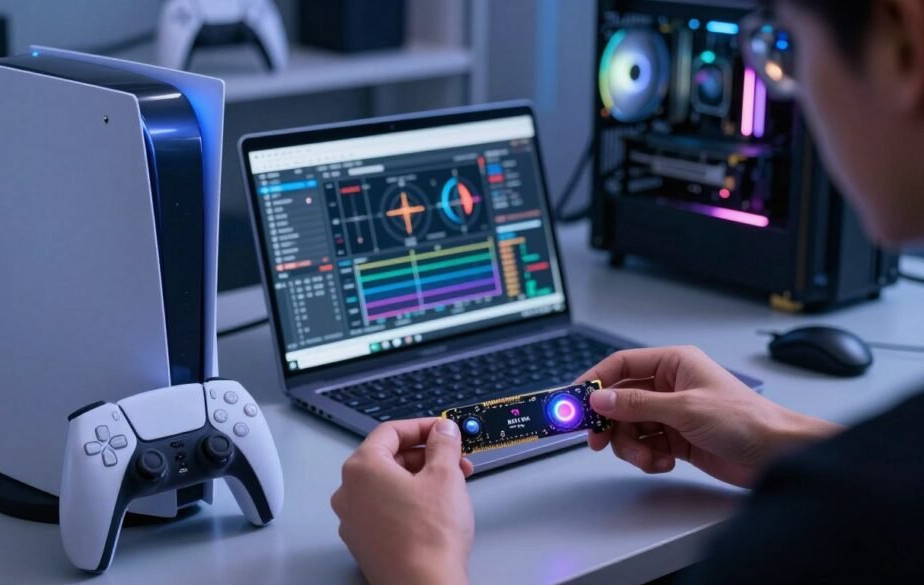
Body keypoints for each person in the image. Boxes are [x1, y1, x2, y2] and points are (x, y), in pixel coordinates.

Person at [330, 0, 924, 583]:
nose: (796, 94)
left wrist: (416, 560)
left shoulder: (837, 530)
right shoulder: (875, 486)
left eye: (790, 48)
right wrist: (776, 438)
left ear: (901, 41)